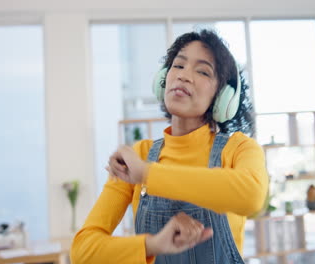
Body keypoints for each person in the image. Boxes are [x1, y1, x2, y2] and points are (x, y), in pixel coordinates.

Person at [70, 29, 268, 264]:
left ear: (222, 97)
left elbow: (252, 196)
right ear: (164, 79)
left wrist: (146, 173)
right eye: (179, 65)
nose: (184, 76)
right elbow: (82, 251)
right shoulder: (140, 154)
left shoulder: (239, 149)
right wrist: (152, 245)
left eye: (203, 71)